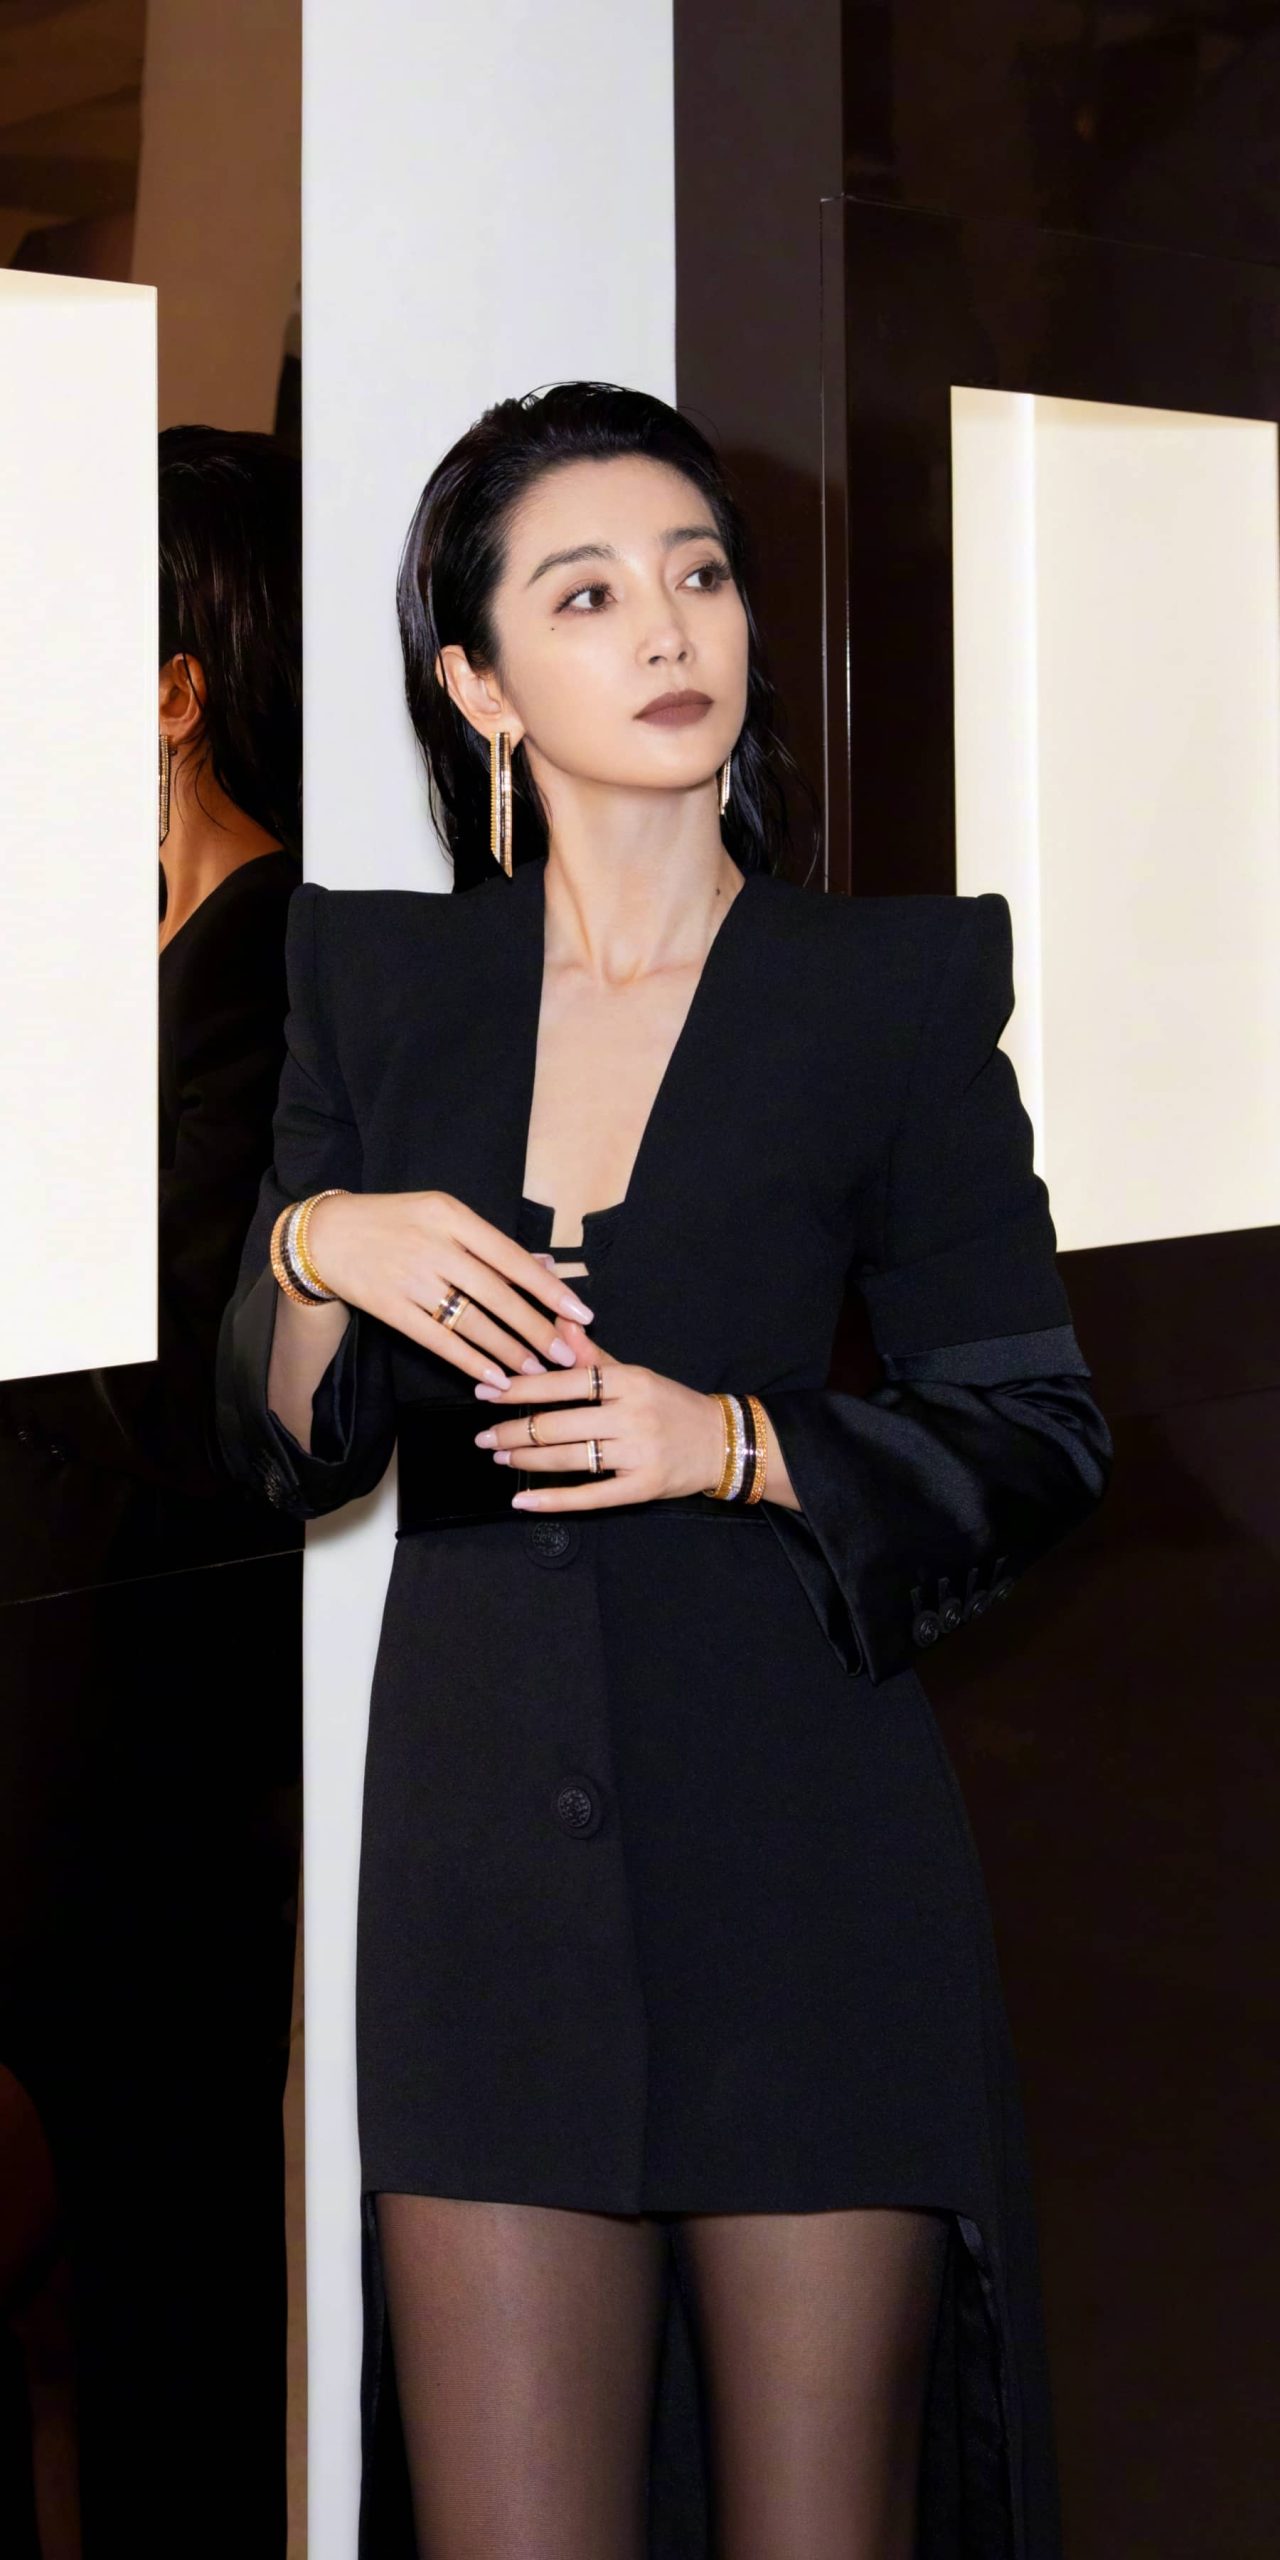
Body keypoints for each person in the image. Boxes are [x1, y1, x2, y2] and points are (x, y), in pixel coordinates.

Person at [215, 381, 1113, 2560]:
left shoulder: (888, 987)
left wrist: (732, 1442)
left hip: (804, 1856)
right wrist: (320, 1246)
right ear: (476, 684)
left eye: (696, 574)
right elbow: (279, 1437)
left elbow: (1037, 1431)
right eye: (586, 592)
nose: (665, 627)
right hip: (478, 1887)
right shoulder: (376, 977)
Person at [0, 425, 305, 2556]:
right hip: (53, 1715)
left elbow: (184, 1383)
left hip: (149, 1742)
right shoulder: (109, 942)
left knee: (161, 2284)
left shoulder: (274, 960)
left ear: (173, 687)